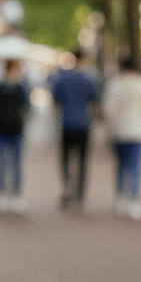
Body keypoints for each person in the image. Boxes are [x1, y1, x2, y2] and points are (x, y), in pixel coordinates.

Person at [102, 55, 141, 221]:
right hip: (140, 132)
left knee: (121, 166)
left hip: (119, 131)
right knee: (135, 166)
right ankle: (134, 200)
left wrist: (108, 129)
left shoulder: (115, 84)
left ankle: (120, 199)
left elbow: (109, 110)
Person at [50, 48, 100, 208]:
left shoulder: (62, 79)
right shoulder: (89, 80)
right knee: (82, 161)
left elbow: (55, 100)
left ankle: (67, 186)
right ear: (83, 59)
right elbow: (95, 103)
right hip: (83, 124)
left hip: (66, 124)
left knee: (65, 158)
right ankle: (79, 195)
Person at [0, 58, 31, 214]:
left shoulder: (21, 87)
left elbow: (28, 106)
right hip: (1, 130)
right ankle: (2, 196)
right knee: (2, 164)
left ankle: (16, 196)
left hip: (17, 130)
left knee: (16, 164)